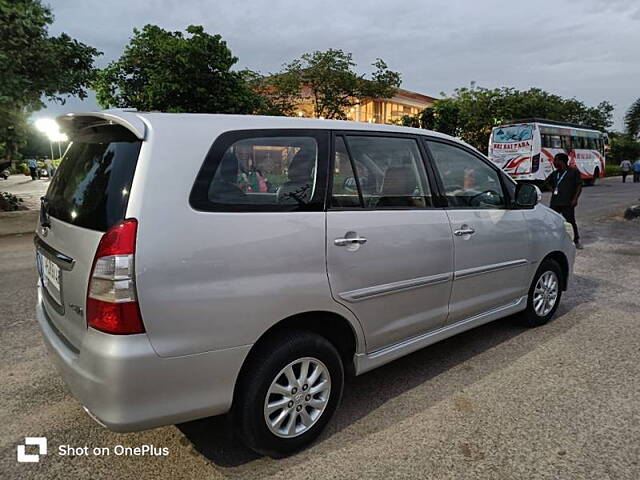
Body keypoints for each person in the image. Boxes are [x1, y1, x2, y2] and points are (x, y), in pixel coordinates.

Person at [544, 153, 583, 249]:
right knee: (551, 221)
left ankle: (576, 240)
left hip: (568, 202)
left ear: (561, 161)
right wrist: (552, 189)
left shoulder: (573, 172)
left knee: (570, 222)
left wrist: (575, 199)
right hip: (555, 202)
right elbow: (546, 182)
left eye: (556, 160)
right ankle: (552, 240)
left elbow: (579, 186)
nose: (554, 162)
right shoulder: (555, 173)